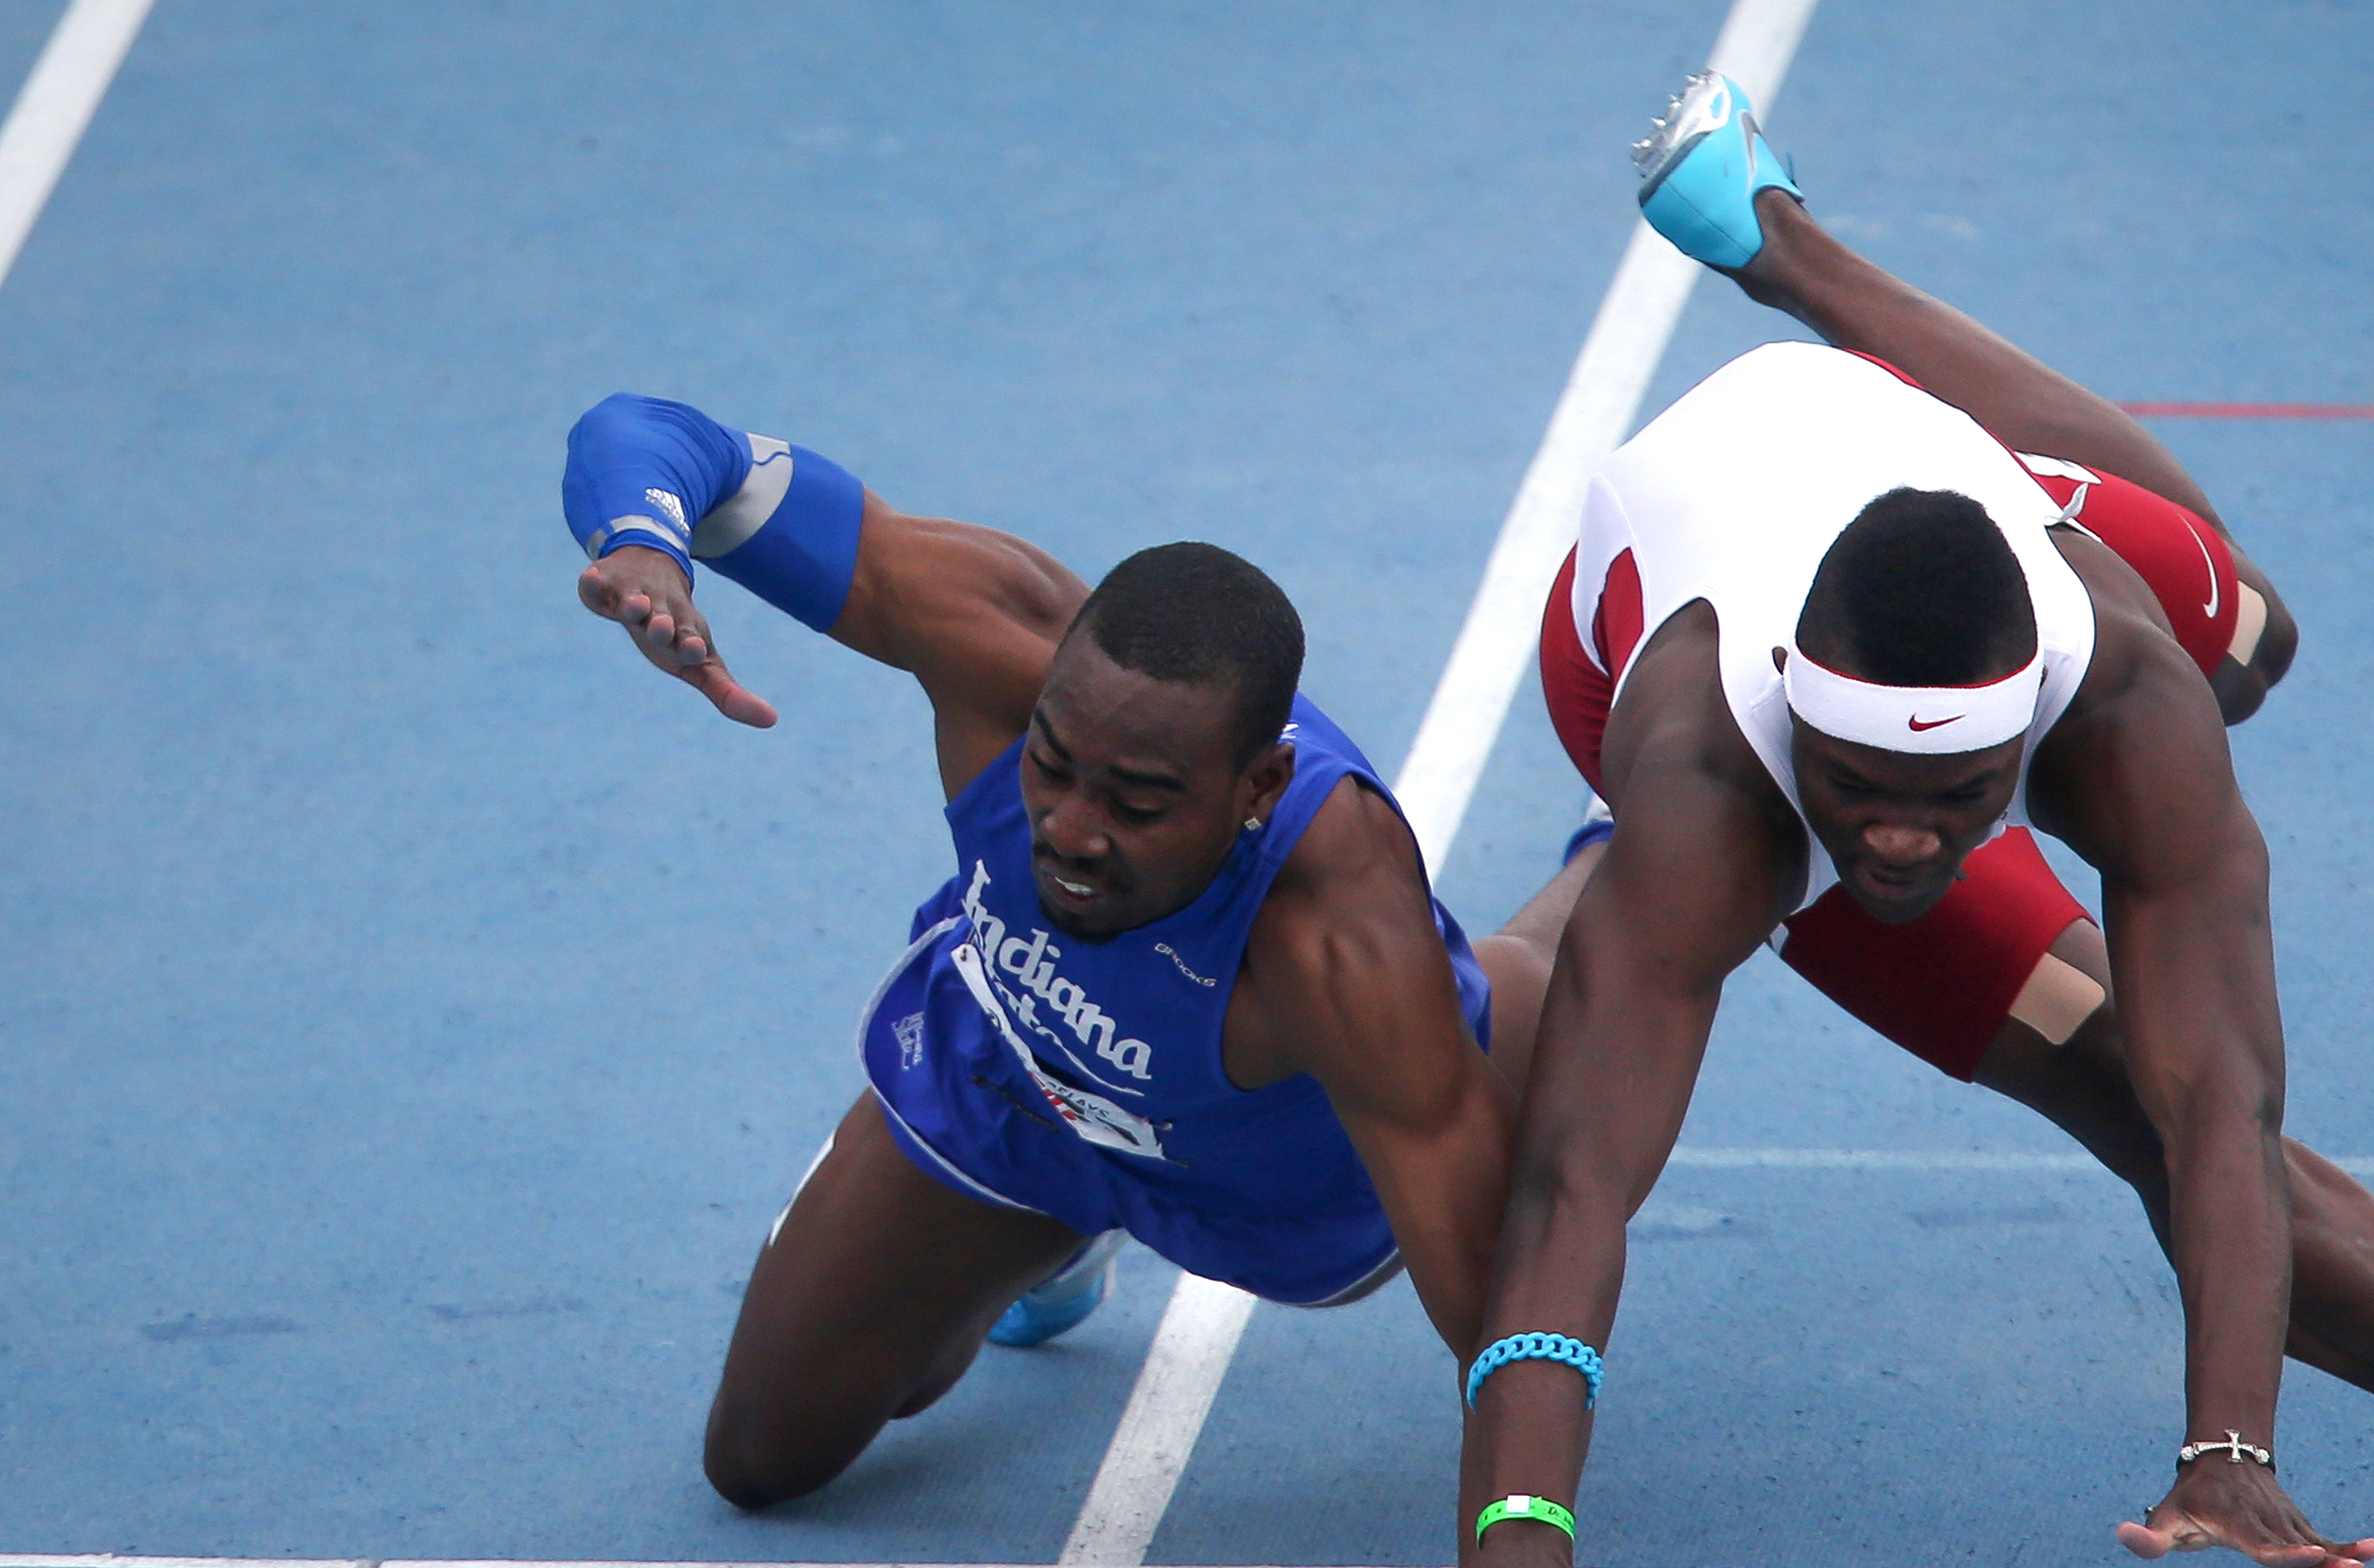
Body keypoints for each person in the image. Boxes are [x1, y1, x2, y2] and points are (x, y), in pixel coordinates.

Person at [1342, 75, 2374, 1568]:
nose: (1895, 832)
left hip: (1945, 503)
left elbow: (2230, 1104)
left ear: (2033, 742)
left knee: (2251, 635)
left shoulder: (2129, 707)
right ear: (1806, 725)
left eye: (1946, 803)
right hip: (1651, 640)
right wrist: (1500, 1551)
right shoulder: (1721, 777)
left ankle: (1784, 245)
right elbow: (1577, 1184)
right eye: (1860, 785)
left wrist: (2230, 1436)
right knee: (2100, 1078)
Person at [559, 396, 1599, 1510]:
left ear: (1256, 792)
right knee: (760, 1462)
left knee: (1554, 989)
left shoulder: (1338, 934)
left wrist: (1514, 1555)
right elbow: (662, 440)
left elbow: (1499, 1303)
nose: (1072, 831)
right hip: (1014, 1090)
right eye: (1052, 767)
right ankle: (1050, 1243)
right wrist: (642, 544)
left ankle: (1619, 837)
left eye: (1140, 804)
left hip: (1281, 1182)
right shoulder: (984, 644)